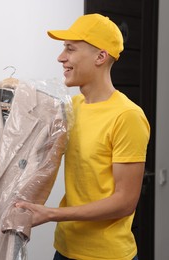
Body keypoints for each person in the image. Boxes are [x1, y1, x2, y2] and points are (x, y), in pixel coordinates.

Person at [13, 13, 150, 260]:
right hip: (65, 249)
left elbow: (125, 201)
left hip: (107, 255)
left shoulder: (127, 116)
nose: (61, 57)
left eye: (70, 49)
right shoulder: (69, 108)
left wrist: (52, 214)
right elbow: (19, 125)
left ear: (100, 56)